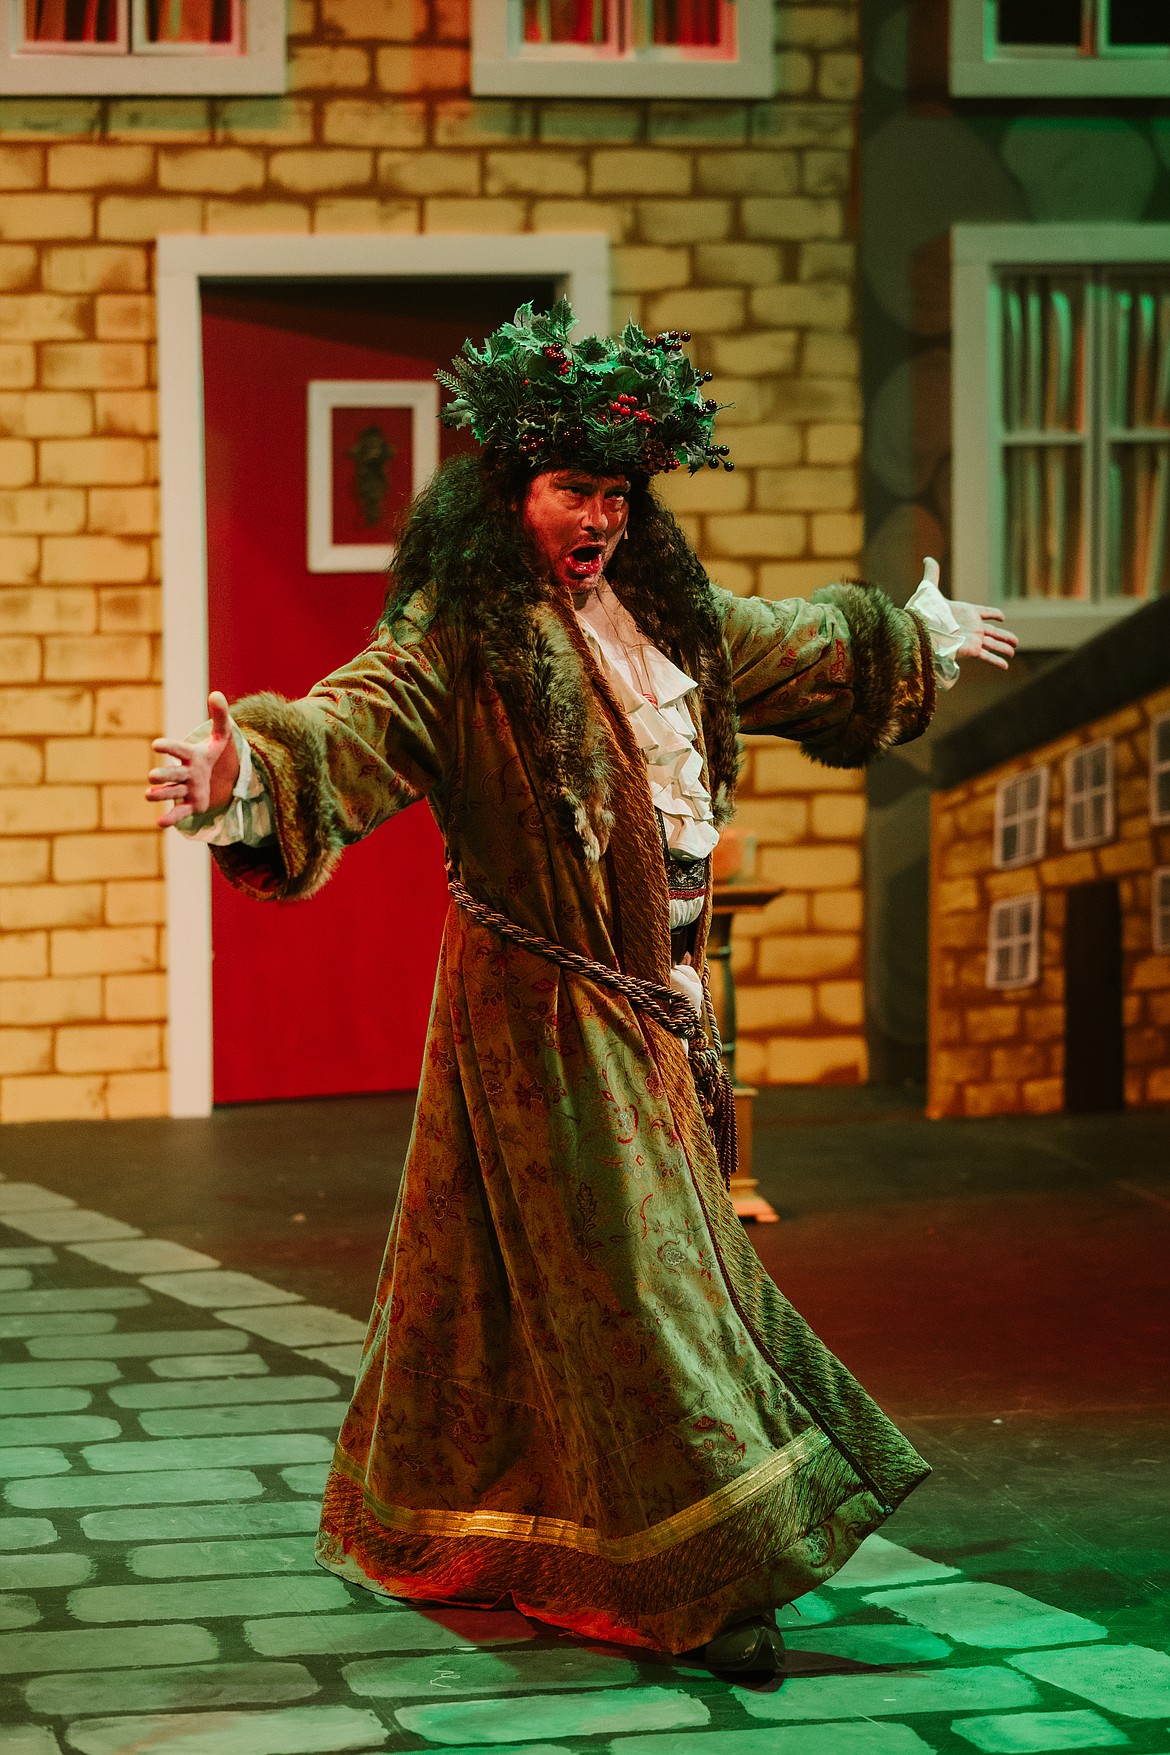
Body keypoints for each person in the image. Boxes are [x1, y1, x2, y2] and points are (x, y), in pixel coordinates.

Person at [148, 301, 1016, 1676]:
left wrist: (910, 637)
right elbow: (351, 719)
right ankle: (720, 1571)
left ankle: (514, 1524)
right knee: (644, 1286)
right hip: (545, 1017)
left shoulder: (662, 613)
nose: (597, 514)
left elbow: (793, 641)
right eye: (571, 488)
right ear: (511, 493)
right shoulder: (465, 635)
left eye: (615, 491)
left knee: (529, 1290)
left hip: (656, 1002)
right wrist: (244, 772)